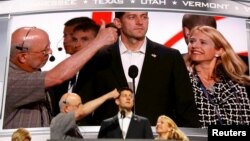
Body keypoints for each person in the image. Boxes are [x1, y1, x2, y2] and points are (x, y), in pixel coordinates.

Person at [79, 12, 200, 127]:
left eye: (144, 17)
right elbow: (81, 106)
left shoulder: (170, 57)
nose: (140, 22)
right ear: (118, 23)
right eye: (132, 17)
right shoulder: (97, 57)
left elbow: (186, 108)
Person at [4, 21, 117, 129]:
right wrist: (98, 42)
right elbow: (56, 77)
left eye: (49, 47)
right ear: (23, 57)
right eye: (44, 51)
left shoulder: (32, 73)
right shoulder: (9, 80)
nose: (50, 52)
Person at [185, 25, 250, 128]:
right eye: (192, 41)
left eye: (203, 42)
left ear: (219, 51)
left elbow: (246, 119)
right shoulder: (183, 79)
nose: (194, 46)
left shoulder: (235, 84)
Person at [51, 17, 100, 116]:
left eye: (71, 36)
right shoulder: (61, 73)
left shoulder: (102, 69)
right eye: (64, 35)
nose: (65, 41)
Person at [50, 89, 119, 140]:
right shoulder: (58, 120)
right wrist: (108, 96)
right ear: (66, 108)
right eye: (78, 105)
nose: (81, 107)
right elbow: (81, 112)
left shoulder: (71, 125)